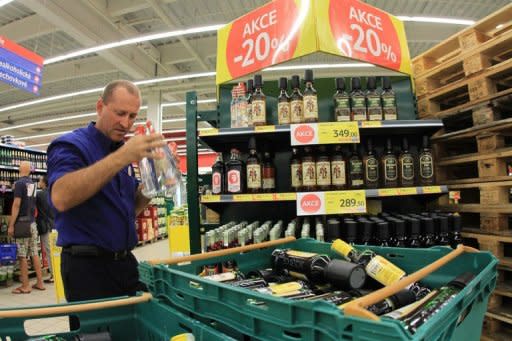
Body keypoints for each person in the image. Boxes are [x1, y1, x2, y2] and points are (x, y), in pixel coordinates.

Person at [47, 80, 165, 302]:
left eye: (132, 116)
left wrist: (155, 179)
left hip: (125, 264)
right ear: (100, 106)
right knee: (97, 336)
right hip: (88, 270)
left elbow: (132, 210)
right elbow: (61, 197)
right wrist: (122, 157)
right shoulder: (71, 145)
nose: (126, 123)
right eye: (120, 113)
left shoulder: (121, 151)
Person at [8, 161, 46, 294]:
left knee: (22, 255)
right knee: (34, 253)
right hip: (32, 223)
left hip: (22, 224)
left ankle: (25, 286)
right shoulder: (33, 184)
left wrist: (11, 224)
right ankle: (40, 282)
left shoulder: (19, 184)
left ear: (20, 169)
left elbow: (16, 204)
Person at [36, 175, 55, 283]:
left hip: (44, 225)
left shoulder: (39, 194)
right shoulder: (52, 192)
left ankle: (53, 275)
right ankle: (56, 272)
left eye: (40, 181)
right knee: (55, 250)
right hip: (54, 225)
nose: (39, 182)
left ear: (44, 182)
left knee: (49, 251)